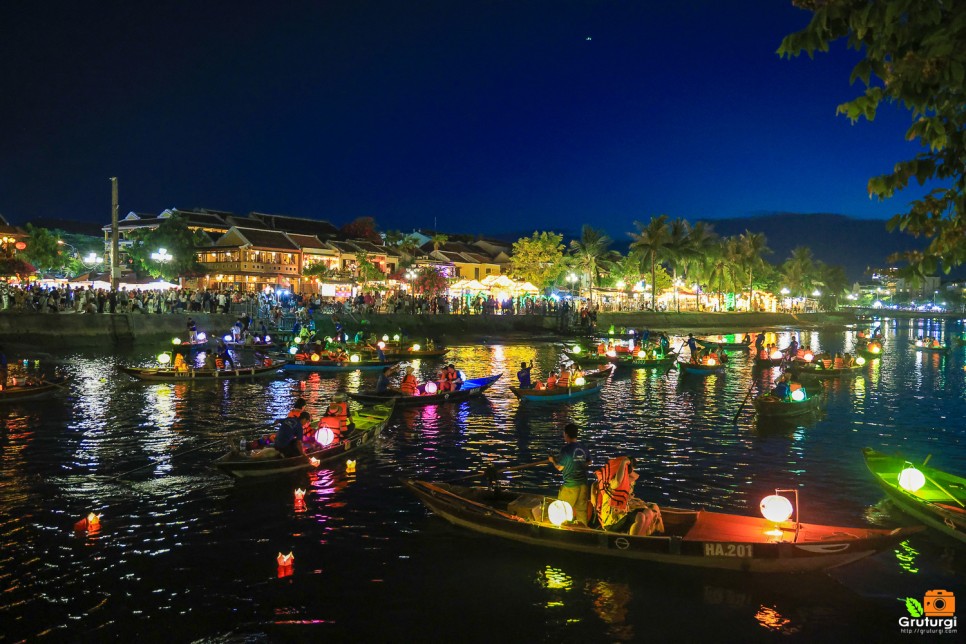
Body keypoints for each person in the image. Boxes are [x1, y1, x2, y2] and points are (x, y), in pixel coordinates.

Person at [548, 423, 591, 526]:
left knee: (561, 510)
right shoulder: (583, 447)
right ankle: (583, 531)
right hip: (583, 485)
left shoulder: (565, 449)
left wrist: (552, 460)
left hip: (571, 486)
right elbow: (589, 462)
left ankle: (562, 533)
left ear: (566, 435)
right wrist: (579, 463)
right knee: (581, 512)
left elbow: (559, 467)